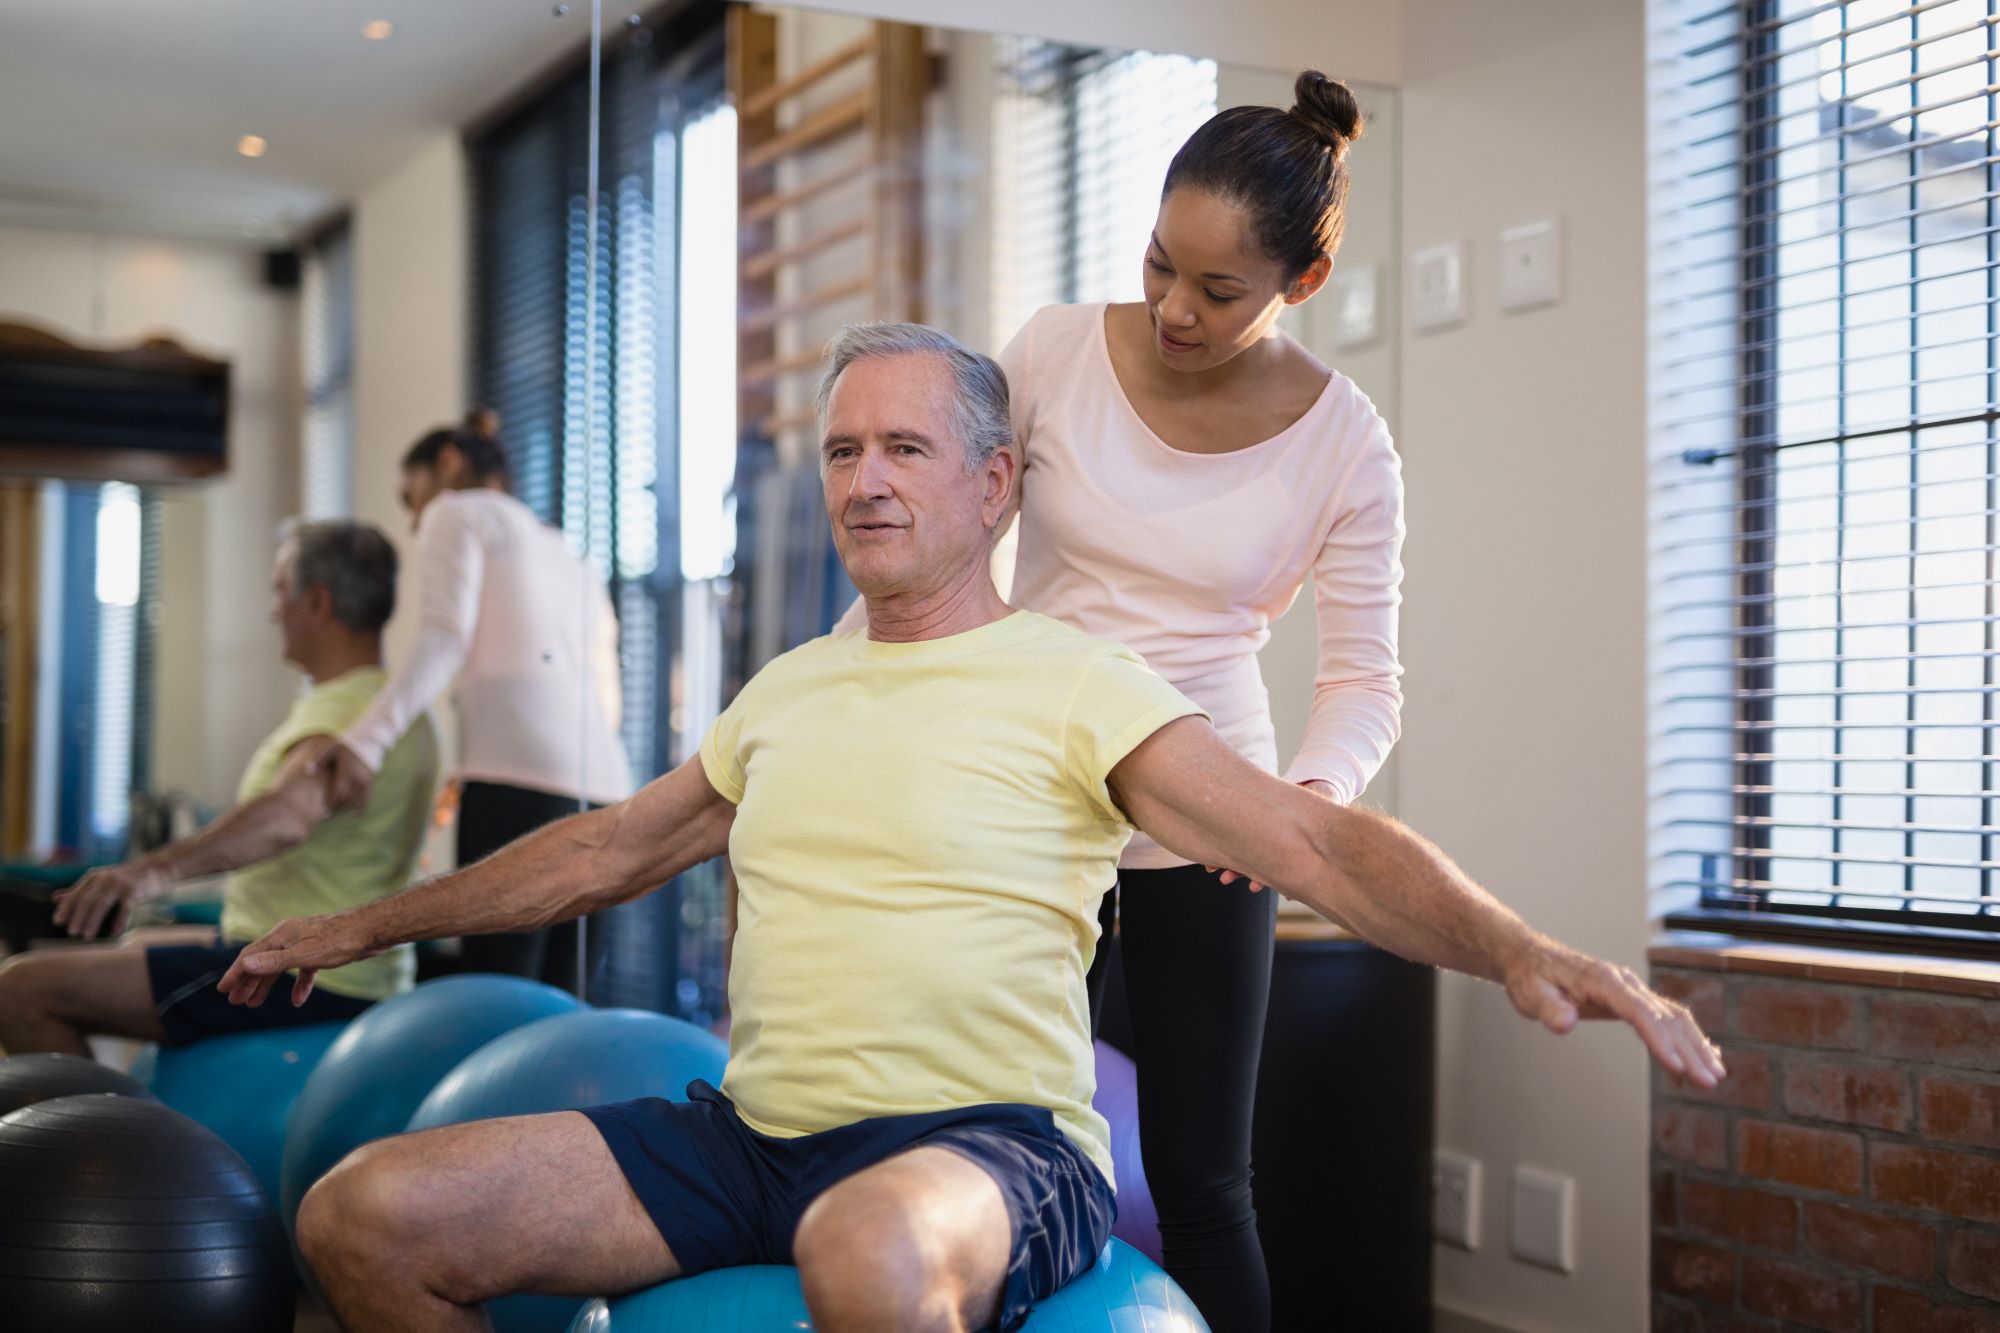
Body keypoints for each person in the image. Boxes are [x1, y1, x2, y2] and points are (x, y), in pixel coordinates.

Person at [218, 324, 1724, 1333]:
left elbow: (1315, 843)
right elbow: (609, 848)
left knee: (862, 1251)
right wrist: (360, 923)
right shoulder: (785, 691)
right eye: (843, 451)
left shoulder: (1079, 684)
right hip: (751, 1137)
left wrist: (1520, 945)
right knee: (366, 1218)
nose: (865, 480)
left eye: (908, 450)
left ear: (996, 487)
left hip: (990, 1151)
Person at [993, 70, 1400, 1329]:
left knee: (1200, 1186)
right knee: (990, 1145)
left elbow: (1363, 679)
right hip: (1025, 795)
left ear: (1299, 287)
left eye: (1216, 290)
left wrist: (1301, 802)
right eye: (1160, 263)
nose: (1171, 305)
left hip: (1206, 824)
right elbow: (948, 550)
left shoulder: (1343, 441)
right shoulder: (1054, 347)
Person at [0, 521, 438, 1056]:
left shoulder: (345, 715)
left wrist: (148, 872)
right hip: (354, 973)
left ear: (319, 604)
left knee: (20, 990)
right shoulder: (398, 713)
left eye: (280, 590)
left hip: (306, 979)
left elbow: (286, 816)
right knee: (136, 945)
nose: (273, 609)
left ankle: (99, 1141)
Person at [294, 412, 634, 993]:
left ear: (447, 463)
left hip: (516, 792)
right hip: (607, 793)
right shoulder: (567, 552)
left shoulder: (457, 512)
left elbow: (444, 635)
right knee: (567, 1016)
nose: (413, 516)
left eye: (411, 495)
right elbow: (604, 687)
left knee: (498, 1010)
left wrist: (365, 742)